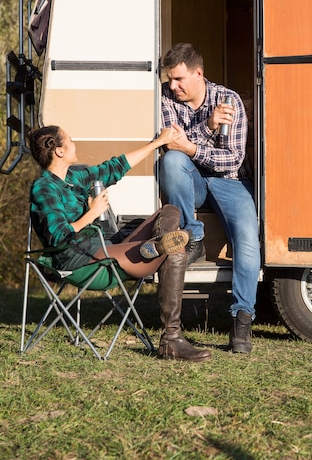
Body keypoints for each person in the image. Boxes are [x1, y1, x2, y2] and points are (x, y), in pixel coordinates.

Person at [28, 125, 211, 363]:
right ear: (59, 151)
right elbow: (58, 236)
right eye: (70, 140)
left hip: (104, 248)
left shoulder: (74, 177)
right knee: (175, 253)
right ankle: (171, 340)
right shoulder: (44, 187)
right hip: (81, 261)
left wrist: (158, 143)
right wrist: (91, 214)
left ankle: (156, 245)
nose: (75, 144)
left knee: (169, 210)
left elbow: (115, 167)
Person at [159, 42, 260, 353]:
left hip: (230, 181)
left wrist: (191, 146)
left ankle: (242, 319)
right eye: (170, 79)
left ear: (198, 74)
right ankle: (194, 236)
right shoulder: (164, 97)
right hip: (193, 179)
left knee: (246, 238)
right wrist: (208, 126)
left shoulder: (227, 100)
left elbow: (232, 159)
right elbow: (170, 148)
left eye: (179, 79)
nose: (172, 86)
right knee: (171, 163)